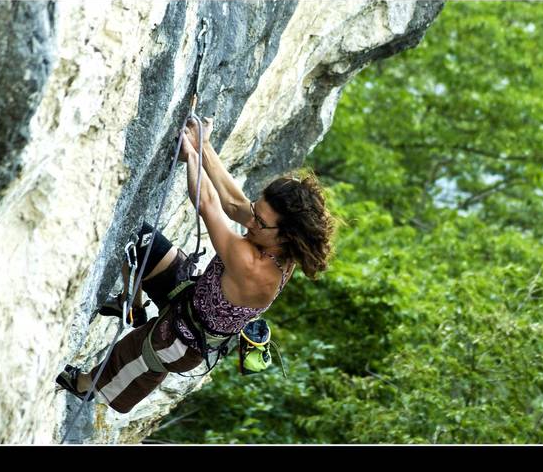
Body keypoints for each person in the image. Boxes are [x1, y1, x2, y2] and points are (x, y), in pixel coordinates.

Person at [55, 116, 337, 413]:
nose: (250, 221)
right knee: (140, 240)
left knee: (120, 360)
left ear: (287, 235)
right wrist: (203, 143)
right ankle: (131, 304)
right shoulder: (275, 236)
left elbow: (208, 205)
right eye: (257, 210)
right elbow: (233, 204)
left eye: (260, 221)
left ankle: (82, 385)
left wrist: (191, 154)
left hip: (183, 338)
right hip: (190, 294)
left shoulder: (254, 268)